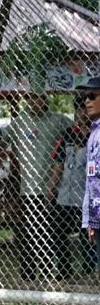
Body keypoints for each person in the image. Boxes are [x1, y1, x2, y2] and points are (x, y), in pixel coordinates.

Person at [2, 93, 71, 282]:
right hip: (28, 190)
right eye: (31, 98)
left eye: (40, 97)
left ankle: (57, 272)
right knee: (28, 233)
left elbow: (78, 133)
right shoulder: (18, 123)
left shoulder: (59, 121)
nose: (36, 102)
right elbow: (0, 141)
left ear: (47, 98)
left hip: (53, 188)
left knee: (54, 232)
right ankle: (28, 275)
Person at [47, 96, 98, 279]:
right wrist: (51, 189)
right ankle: (64, 270)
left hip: (86, 196)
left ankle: (89, 271)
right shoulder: (68, 133)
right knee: (58, 230)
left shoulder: (96, 134)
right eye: (78, 109)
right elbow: (58, 164)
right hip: (65, 196)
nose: (81, 113)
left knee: (88, 236)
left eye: (84, 109)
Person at [79, 76, 100, 267]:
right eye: (85, 97)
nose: (87, 101)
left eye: (92, 95)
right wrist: (91, 219)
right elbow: (93, 180)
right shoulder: (94, 132)